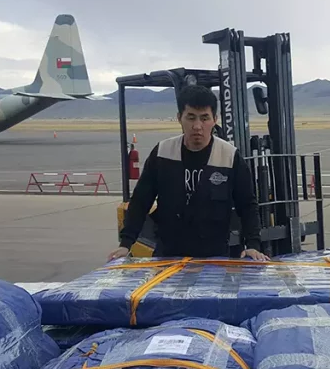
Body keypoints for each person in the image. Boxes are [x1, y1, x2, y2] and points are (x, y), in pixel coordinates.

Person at [108, 84, 269, 261]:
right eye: (191, 118)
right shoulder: (162, 153)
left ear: (215, 119)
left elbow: (247, 205)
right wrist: (125, 244)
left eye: (204, 118)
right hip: (167, 255)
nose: (197, 126)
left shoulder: (229, 156)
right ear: (179, 118)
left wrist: (253, 245)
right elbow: (140, 200)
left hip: (213, 258)